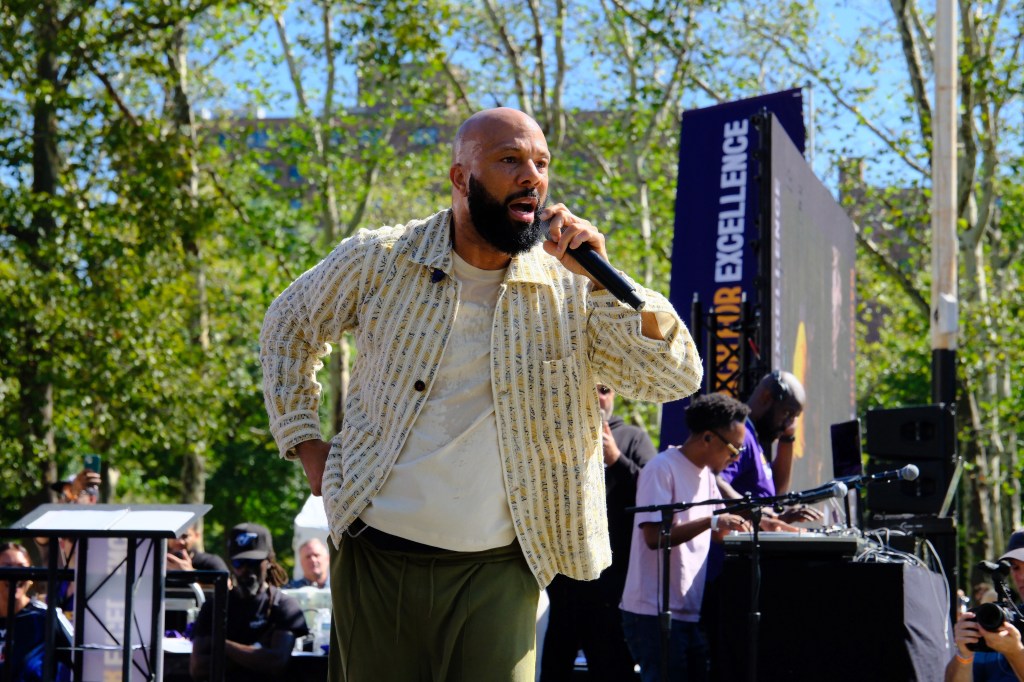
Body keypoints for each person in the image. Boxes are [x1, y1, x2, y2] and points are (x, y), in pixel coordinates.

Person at [260, 106, 703, 681]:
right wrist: (303, 440)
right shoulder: (382, 259)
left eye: (541, 163)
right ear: (460, 177)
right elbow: (288, 325)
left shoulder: (571, 287)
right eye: (510, 160)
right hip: (377, 551)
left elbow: (674, 377)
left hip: (501, 566)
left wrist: (605, 282)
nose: (532, 176)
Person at [619, 393, 752, 682]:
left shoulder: (705, 475)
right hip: (653, 614)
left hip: (687, 612)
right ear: (707, 438)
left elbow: (718, 532)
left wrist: (770, 526)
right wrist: (713, 520)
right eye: (733, 449)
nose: (735, 458)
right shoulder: (661, 469)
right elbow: (653, 537)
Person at [540, 383, 655, 681]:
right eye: (590, 389)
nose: (597, 397)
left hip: (612, 582)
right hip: (564, 579)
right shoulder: (558, 435)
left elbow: (654, 495)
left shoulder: (632, 437)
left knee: (611, 665)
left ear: (615, 395)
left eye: (604, 390)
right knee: (555, 666)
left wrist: (617, 459)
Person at [190, 523, 308, 682]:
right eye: (239, 563)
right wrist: (257, 650)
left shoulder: (284, 605)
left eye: (254, 562)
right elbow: (198, 668)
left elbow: (276, 662)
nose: (247, 570)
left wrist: (220, 644)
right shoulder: (214, 606)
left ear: (269, 561)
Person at [946, 530, 1024, 682]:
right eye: (1015, 567)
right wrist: (964, 654)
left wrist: (1014, 652)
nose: (1021, 576)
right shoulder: (997, 623)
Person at [0, 542, 71, 682]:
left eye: (21, 568)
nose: (15, 574)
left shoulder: (45, 617)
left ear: (31, 576)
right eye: (6, 567)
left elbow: (80, 656)